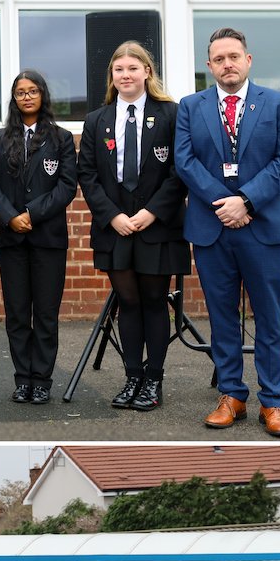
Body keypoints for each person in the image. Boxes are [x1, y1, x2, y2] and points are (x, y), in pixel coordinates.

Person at [174, 26, 280, 436]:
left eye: (234, 56)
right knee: (222, 316)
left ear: (248, 60)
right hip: (212, 228)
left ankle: (274, 402)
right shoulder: (191, 106)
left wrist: (244, 201)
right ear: (208, 66)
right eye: (219, 59)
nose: (228, 64)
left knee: (269, 317)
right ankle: (232, 395)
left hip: (262, 226)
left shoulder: (277, 103)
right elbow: (185, 162)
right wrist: (223, 204)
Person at [78, 41, 190, 411]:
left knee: (154, 302)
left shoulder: (171, 115)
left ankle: (153, 381)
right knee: (128, 303)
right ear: (112, 77)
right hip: (116, 227)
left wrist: (152, 212)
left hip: (157, 226)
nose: (125, 75)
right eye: (118, 70)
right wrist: (113, 216)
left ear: (147, 72)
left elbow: (179, 172)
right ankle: (131, 377)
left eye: (132, 68)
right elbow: (88, 174)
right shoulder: (97, 119)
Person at [0, 70, 77, 404]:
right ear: (14, 98)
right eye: (20, 92)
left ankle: (43, 380)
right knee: (18, 313)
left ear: (42, 95)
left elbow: (67, 185)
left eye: (33, 91)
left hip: (48, 237)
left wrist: (32, 214)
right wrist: (10, 217)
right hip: (11, 239)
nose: (27, 97)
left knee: (46, 314)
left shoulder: (61, 138)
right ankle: (23, 379)